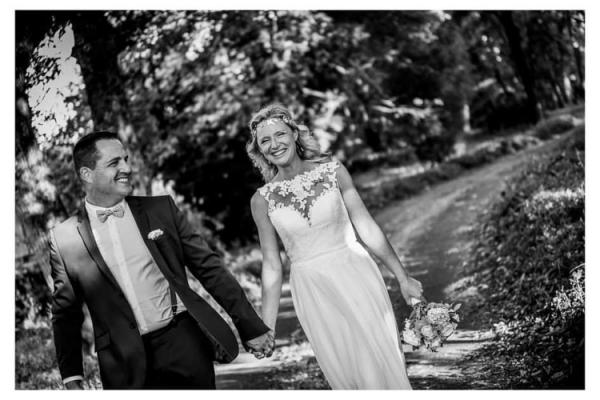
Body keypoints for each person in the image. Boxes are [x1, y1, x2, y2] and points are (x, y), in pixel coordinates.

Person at [48, 131, 273, 389]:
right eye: (114, 163)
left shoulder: (160, 210)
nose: (127, 168)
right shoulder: (64, 238)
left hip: (182, 343)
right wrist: (71, 375)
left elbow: (209, 269)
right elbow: (65, 312)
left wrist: (251, 326)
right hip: (122, 364)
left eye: (126, 159)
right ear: (87, 174)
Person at [246, 105, 424, 389]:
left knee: (380, 358)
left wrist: (402, 277)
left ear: (294, 134)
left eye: (280, 134)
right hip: (312, 289)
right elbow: (271, 265)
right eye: (265, 140)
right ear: (259, 150)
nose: (274, 144)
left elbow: (366, 227)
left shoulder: (334, 171)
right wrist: (267, 326)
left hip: (356, 272)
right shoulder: (261, 201)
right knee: (346, 367)